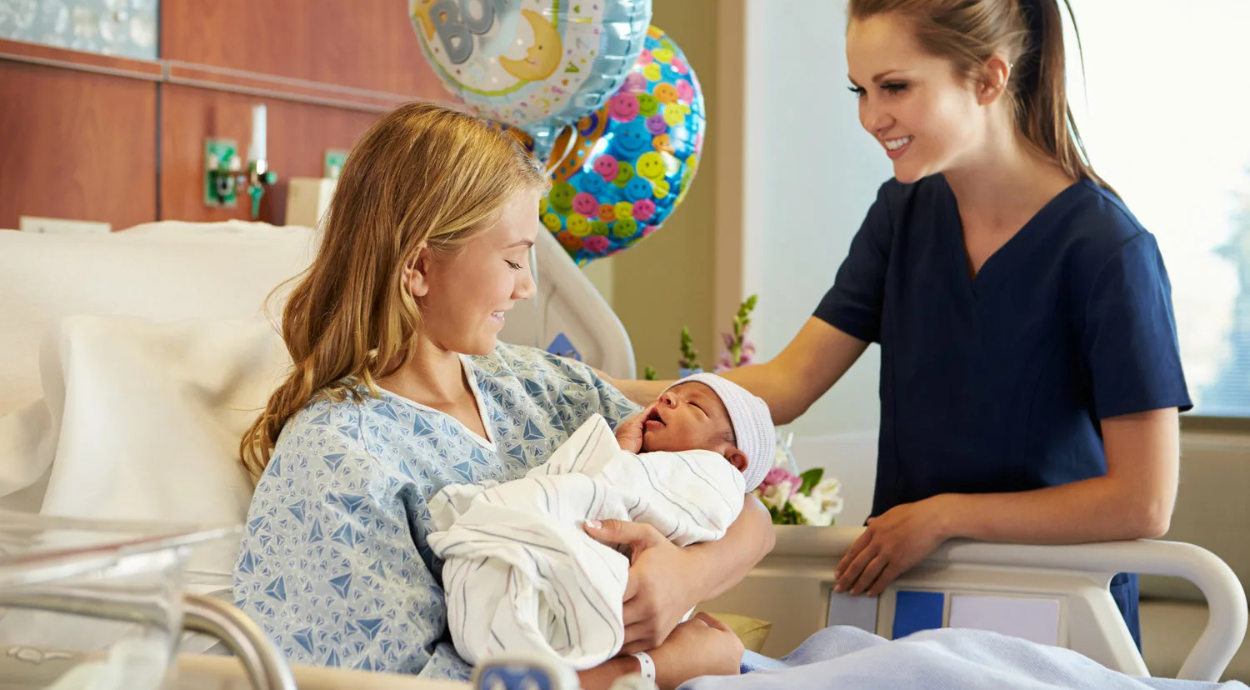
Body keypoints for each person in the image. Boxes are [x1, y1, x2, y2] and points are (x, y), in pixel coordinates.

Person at [607, 0, 1189, 648]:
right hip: (912, 598)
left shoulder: (1107, 250)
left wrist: (942, 519)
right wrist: (584, 385)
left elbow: (1144, 501)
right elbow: (788, 382)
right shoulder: (903, 214)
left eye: (895, 87)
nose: (870, 117)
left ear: (989, 79)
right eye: (860, 89)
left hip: (1057, 609)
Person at [232, 102, 772, 690]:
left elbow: (742, 504)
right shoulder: (338, 459)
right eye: (513, 259)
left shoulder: (544, 387)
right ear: (418, 266)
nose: (527, 287)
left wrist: (687, 579)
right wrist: (652, 666)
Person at [428, 373, 776, 670]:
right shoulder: (644, 458)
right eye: (671, 394)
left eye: (694, 405)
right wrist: (620, 450)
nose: (668, 398)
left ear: (734, 460)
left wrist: (616, 458)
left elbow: (611, 492)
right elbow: (588, 487)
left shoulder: (715, 478)